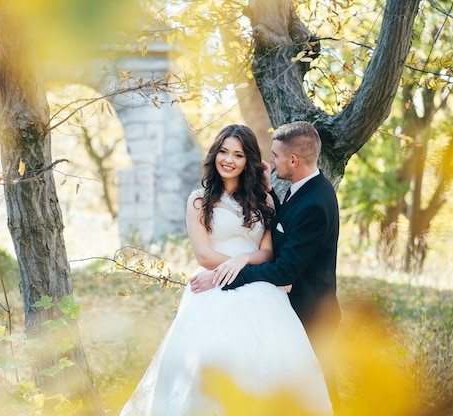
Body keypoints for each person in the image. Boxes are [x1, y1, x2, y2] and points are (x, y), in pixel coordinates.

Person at [120, 124, 332, 416]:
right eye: (223, 152)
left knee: (264, 362)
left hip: (259, 288)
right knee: (208, 362)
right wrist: (231, 265)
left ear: (248, 162)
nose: (228, 160)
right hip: (211, 284)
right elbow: (205, 255)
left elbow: (269, 251)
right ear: (214, 154)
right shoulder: (199, 199)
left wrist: (242, 259)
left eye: (238, 155)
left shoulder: (265, 199)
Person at [190, 120, 341, 412]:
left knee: (318, 391)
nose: (270, 161)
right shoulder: (301, 191)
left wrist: (227, 275)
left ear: (293, 160)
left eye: (275, 155)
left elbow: (283, 267)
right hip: (282, 303)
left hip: (311, 311)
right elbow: (283, 226)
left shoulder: (315, 202)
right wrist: (268, 193)